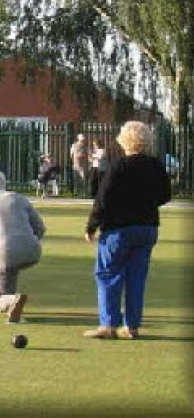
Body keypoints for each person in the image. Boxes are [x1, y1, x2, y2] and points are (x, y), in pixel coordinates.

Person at [83, 121, 171, 339]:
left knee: (108, 274)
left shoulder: (119, 166)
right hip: (147, 227)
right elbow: (165, 195)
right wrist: (147, 204)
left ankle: (108, 325)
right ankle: (131, 326)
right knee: (136, 277)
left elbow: (102, 199)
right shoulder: (156, 165)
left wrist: (92, 225)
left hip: (118, 229)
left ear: (124, 140)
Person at [0, 169, 45, 323]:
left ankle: (11, 300)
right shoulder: (20, 198)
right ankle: (13, 304)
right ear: (5, 184)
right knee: (11, 268)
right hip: (33, 250)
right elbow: (40, 228)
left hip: (3, 253)